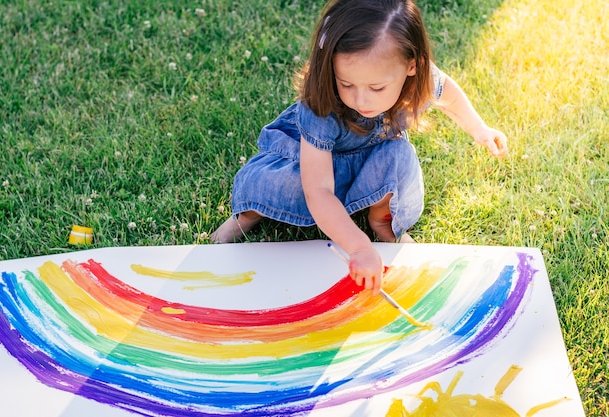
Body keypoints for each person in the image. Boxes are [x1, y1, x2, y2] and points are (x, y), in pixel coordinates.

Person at [211, 0, 507, 295]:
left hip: (369, 163)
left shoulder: (421, 79)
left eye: (376, 88)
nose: (361, 100)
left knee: (400, 158)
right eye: (346, 84)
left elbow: (449, 96)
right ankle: (247, 216)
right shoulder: (320, 106)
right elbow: (318, 190)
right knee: (280, 186)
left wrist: (479, 128)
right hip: (312, 168)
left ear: (412, 65)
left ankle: (382, 222)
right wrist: (358, 247)